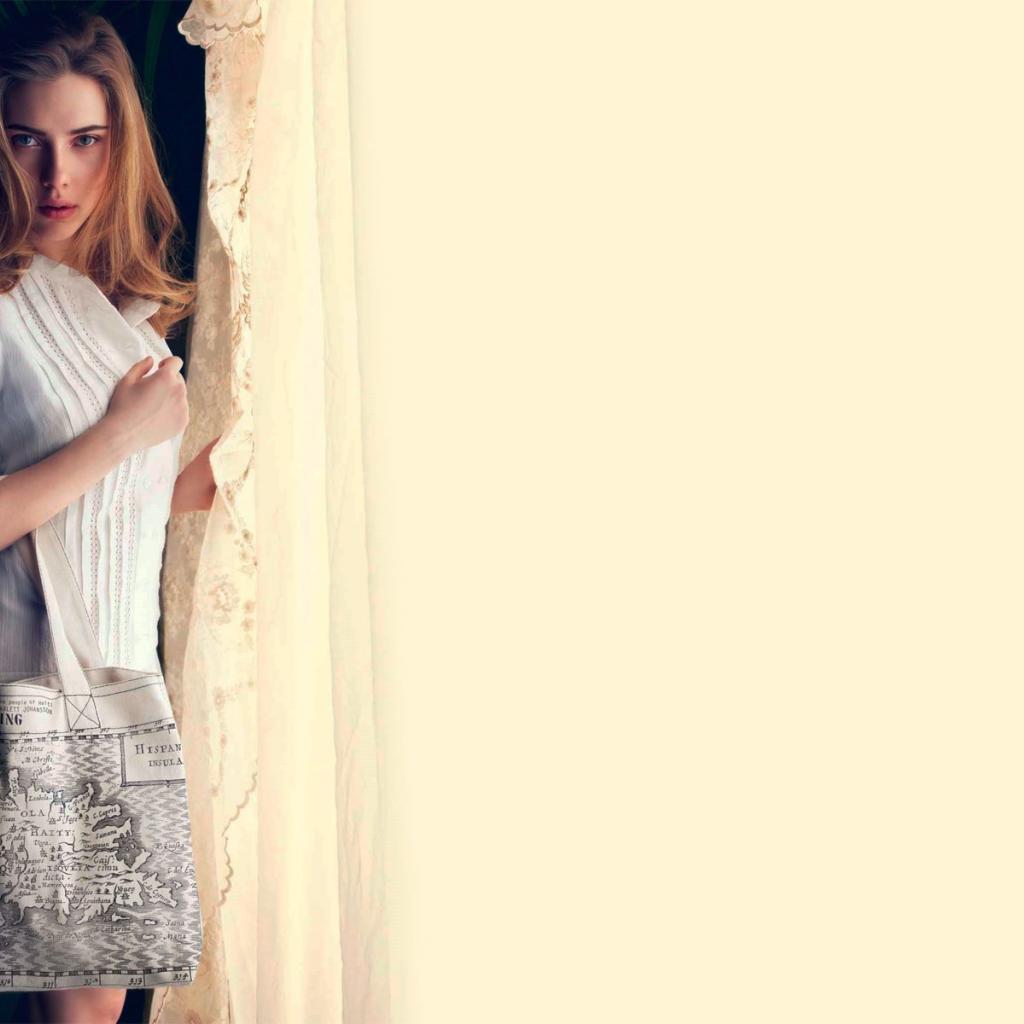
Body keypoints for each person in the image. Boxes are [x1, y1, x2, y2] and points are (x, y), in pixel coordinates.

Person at [0, 11, 214, 1024]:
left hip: (125, 682)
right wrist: (120, 438)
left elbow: (92, 514)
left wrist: (187, 483)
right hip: (37, 686)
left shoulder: (126, 307)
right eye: (26, 139)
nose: (57, 176)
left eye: (85, 140)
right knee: (82, 1009)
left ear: (118, 144)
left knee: (99, 1004)